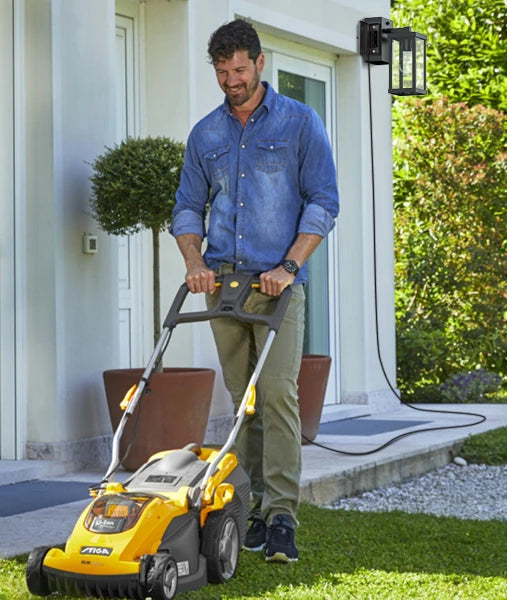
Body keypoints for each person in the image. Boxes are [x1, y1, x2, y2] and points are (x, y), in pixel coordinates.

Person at [170, 18, 338, 564]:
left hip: (277, 287)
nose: (231, 81)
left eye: (239, 70)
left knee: (279, 398)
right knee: (243, 405)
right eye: (222, 72)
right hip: (223, 285)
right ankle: (247, 511)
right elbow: (188, 207)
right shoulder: (206, 135)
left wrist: (289, 265)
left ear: (260, 63)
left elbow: (322, 202)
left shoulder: (299, 123)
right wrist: (194, 262)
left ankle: (282, 515)